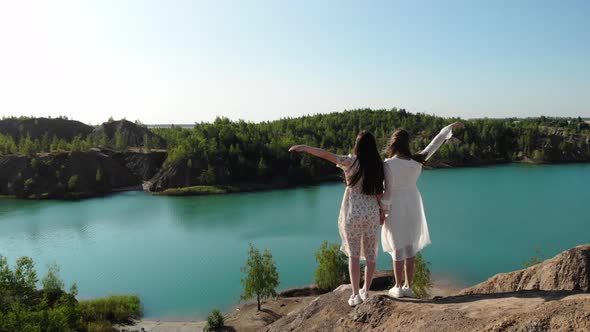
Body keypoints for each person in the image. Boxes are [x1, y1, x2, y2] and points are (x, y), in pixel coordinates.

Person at [289, 131, 385, 306]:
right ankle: (366, 291)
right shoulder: (378, 165)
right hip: (371, 212)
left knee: (354, 256)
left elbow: (325, 154)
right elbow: (380, 193)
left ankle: (355, 294)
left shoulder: (350, 162)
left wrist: (304, 148)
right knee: (372, 254)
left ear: (358, 145)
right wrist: (382, 212)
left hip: (353, 213)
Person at [380, 121, 464, 298]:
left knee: (397, 247)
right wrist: (447, 129)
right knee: (410, 247)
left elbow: (386, 191)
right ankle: (409, 287)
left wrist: (382, 210)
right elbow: (434, 144)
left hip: (395, 204)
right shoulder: (416, 161)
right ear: (407, 144)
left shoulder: (387, 164)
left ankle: (398, 287)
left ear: (393, 144)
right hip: (413, 202)